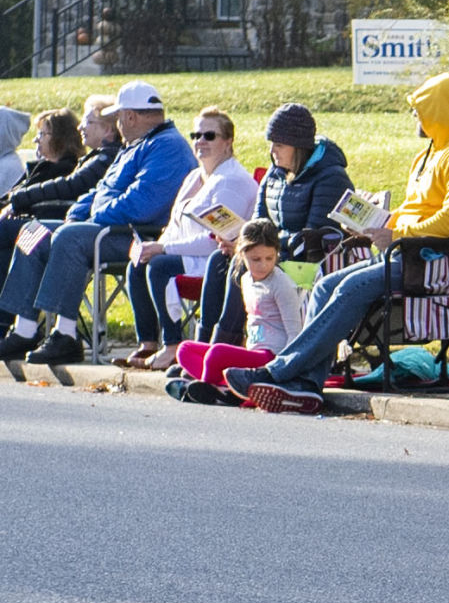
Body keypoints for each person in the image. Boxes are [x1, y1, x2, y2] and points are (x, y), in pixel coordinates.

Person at [224, 73, 449, 413]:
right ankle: (307, 386)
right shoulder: (430, 153)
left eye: (420, 109)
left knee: (351, 287)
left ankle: (279, 371)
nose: (414, 116)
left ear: (439, 110)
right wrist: (378, 224)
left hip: (438, 264)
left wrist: (396, 234)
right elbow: (417, 210)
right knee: (324, 286)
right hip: (406, 254)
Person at [0, 81, 194, 365]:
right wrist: (76, 215)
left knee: (70, 237)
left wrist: (89, 221)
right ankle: (25, 329)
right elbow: (99, 190)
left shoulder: (168, 147)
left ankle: (65, 335)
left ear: (130, 116)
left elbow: (140, 204)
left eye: (119, 117)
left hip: (139, 235)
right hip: (109, 227)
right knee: (33, 231)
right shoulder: (136, 145)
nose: (117, 124)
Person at [196, 103, 352, 347]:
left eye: (279, 145)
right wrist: (241, 241)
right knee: (220, 260)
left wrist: (257, 247)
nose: (272, 151)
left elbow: (312, 237)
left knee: (243, 266)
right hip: (274, 252)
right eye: (271, 144)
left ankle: (223, 346)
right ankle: (203, 344)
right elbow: (259, 220)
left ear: (298, 146)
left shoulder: (330, 177)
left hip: (306, 264)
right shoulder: (274, 173)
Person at [115, 107, 258, 370]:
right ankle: (148, 344)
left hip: (218, 260)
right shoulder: (195, 175)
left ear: (228, 142)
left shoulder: (231, 181)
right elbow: (175, 224)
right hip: (188, 253)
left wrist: (162, 248)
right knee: (138, 263)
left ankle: (172, 346)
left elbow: (214, 239)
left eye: (209, 135)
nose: (200, 141)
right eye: (195, 135)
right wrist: (150, 247)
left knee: (159, 266)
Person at [165, 218, 304, 406]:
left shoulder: (281, 284)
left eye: (269, 258)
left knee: (217, 353)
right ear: (242, 254)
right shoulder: (246, 279)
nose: (263, 265)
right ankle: (228, 390)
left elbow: (295, 332)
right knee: (185, 349)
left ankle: (207, 389)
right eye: (256, 259)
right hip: (253, 351)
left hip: (271, 356)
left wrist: (285, 370)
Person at [1, 107, 81, 203]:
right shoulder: (39, 167)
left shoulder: (64, 173)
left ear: (60, 137)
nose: (35, 140)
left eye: (42, 134)